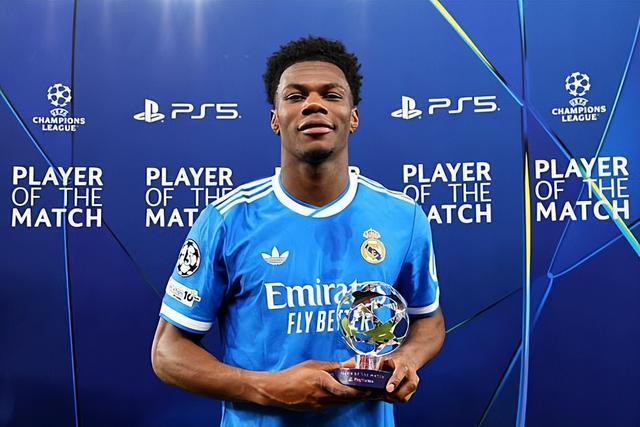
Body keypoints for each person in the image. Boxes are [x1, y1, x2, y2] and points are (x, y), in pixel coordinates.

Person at [151, 36, 445, 427]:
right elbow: (167, 352)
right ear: (275, 119)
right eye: (295, 96)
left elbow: (429, 320)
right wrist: (268, 387)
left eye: (331, 95)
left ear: (353, 117)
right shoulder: (227, 219)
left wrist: (406, 359)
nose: (313, 104)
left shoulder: (403, 217)